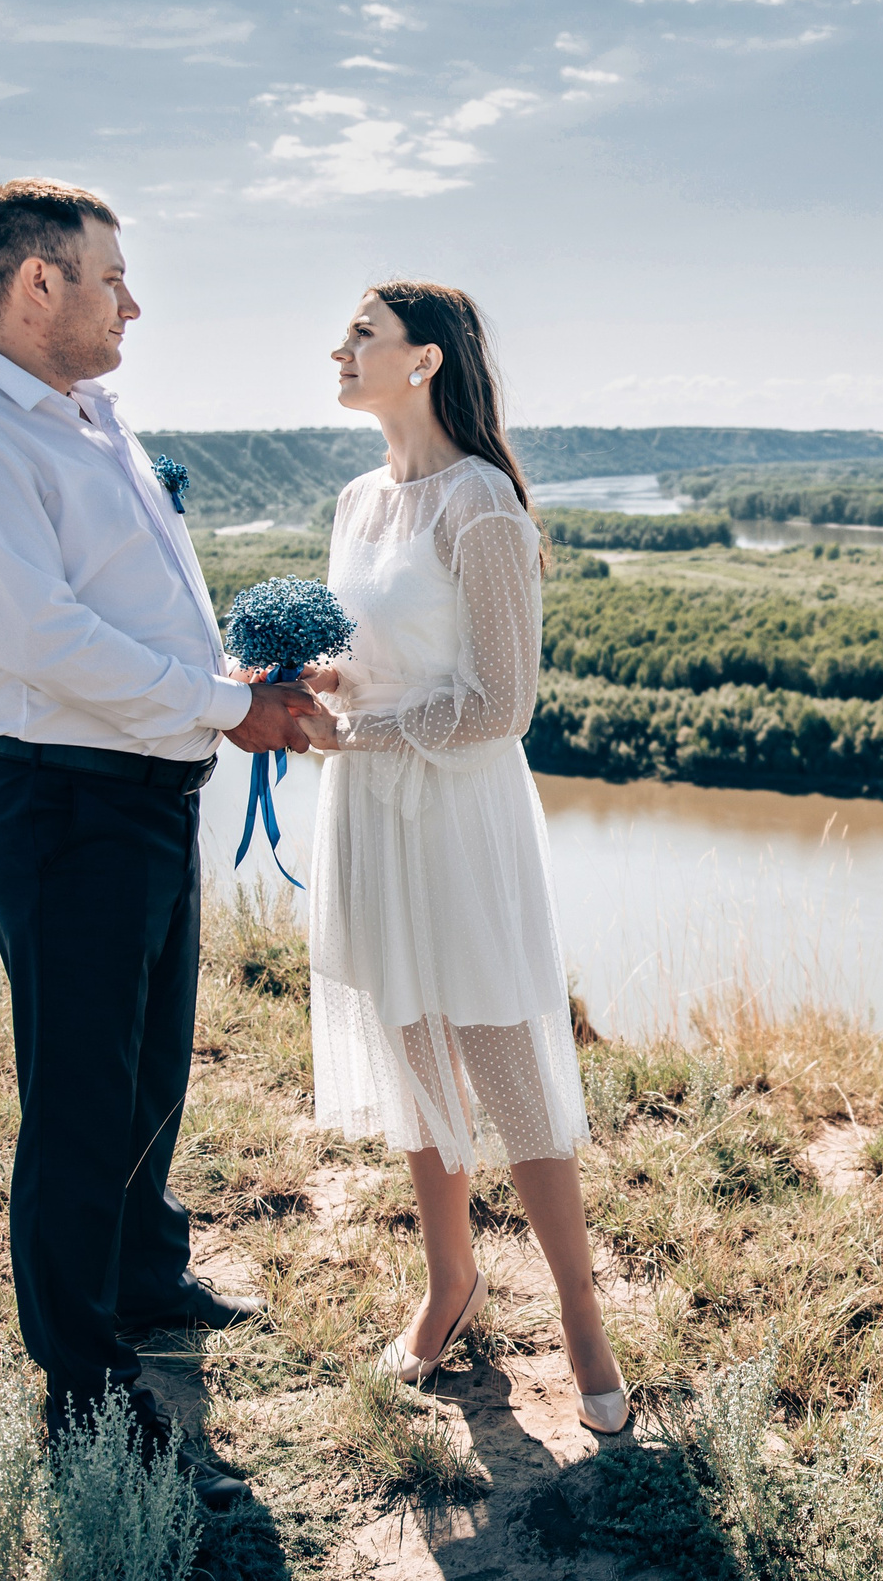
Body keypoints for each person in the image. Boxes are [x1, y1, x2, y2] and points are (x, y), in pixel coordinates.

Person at [0, 178, 316, 1508]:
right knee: (78, 1099)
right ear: (37, 284)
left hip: (142, 791)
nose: (132, 299)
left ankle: (146, 1278)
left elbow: (129, 608)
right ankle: (85, 1379)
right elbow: (45, 641)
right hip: (65, 800)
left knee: (146, 1070)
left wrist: (228, 670)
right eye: (111, 276)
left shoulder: (93, 423)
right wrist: (229, 706)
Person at [288, 279, 626, 1434]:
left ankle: (581, 1312)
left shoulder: (481, 503)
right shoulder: (354, 499)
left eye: (361, 334)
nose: (338, 348)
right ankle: (450, 1285)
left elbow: (502, 702)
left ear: (425, 360)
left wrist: (363, 730)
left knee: (501, 1052)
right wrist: (309, 686)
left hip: (456, 810)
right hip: (370, 810)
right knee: (412, 1042)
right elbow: (375, 655)